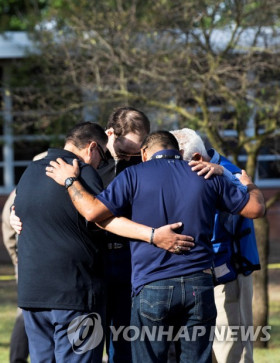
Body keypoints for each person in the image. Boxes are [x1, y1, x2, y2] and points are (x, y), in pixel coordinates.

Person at [44, 130, 266, 363]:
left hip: (151, 284)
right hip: (199, 284)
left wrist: (70, 181)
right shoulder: (206, 174)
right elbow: (256, 209)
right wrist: (249, 185)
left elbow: (92, 212)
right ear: (180, 153)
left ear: (144, 153)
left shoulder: (133, 175)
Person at [14, 123, 195, 362]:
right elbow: (104, 221)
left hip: (33, 294)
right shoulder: (84, 173)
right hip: (74, 292)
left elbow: (20, 212)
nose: (102, 163)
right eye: (102, 154)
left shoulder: (31, 171)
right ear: (92, 147)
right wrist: (153, 236)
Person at [171, 128, 260, 363]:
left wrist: (223, 175)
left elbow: (253, 201)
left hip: (228, 273)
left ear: (198, 159)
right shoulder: (201, 171)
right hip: (201, 274)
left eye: (180, 165)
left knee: (232, 348)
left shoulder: (228, 172)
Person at [98, 106, 150, 363]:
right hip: (95, 262)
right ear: (110, 134)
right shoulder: (91, 164)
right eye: (125, 151)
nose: (130, 158)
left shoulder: (145, 165)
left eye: (136, 152)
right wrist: (14, 212)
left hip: (132, 262)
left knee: (125, 341)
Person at [1, 151, 47, 363]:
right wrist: (17, 259)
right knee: (25, 313)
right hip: (27, 260)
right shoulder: (22, 191)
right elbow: (7, 228)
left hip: (32, 260)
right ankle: (17, 358)